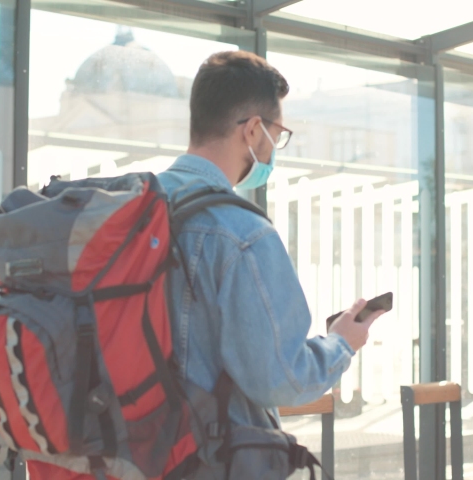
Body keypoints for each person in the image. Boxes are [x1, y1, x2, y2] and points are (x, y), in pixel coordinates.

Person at [158, 51, 380, 438]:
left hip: (119, 450)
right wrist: (342, 343)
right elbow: (283, 379)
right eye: (277, 135)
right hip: (200, 458)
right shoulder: (241, 232)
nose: (274, 148)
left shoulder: (132, 206)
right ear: (253, 130)